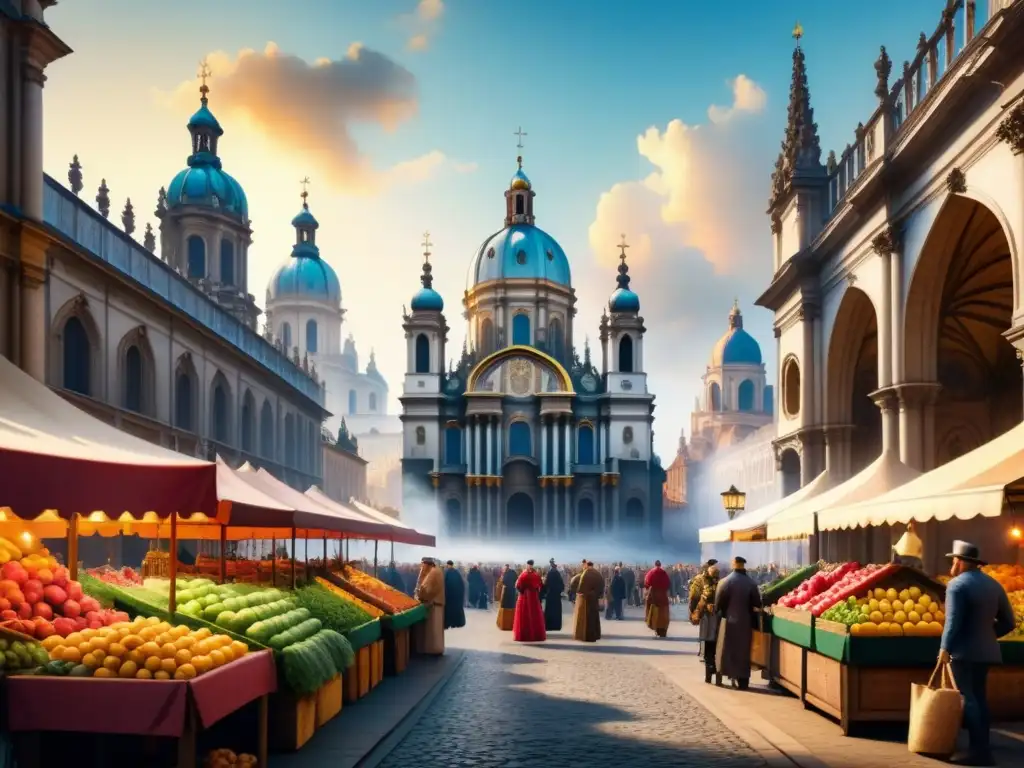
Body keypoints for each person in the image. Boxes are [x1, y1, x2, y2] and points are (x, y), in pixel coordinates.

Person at [939, 540, 1015, 766]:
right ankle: (982, 746)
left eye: (953, 560)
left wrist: (945, 648)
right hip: (987, 651)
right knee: (979, 698)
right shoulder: (994, 584)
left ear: (961, 562)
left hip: (964, 652)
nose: (952, 564)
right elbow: (1008, 621)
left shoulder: (956, 585)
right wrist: (987, 635)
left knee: (969, 699)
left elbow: (952, 622)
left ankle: (978, 752)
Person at [714, 556, 762, 690]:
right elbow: (757, 603)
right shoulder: (751, 583)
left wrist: (723, 613)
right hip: (745, 623)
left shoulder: (725, 582)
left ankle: (729, 674)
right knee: (743, 651)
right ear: (743, 566)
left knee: (728, 650)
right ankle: (743, 681)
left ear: (733, 565)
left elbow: (718, 605)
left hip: (729, 622)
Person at [689, 560, 721, 684]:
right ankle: (715, 671)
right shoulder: (721, 583)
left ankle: (709, 672)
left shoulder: (699, 580)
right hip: (718, 617)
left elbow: (693, 597)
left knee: (708, 643)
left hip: (707, 616)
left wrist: (693, 613)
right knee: (716, 645)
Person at [413, 557, 445, 655]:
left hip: (433, 605)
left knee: (432, 630)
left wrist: (419, 594)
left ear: (427, 564)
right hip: (438, 604)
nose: (421, 567)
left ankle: (431, 650)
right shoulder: (437, 571)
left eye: (423, 564)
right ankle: (436, 648)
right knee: (437, 630)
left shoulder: (432, 574)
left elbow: (427, 590)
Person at [570, 560, 604, 642]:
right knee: (594, 618)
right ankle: (595, 635)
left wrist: (579, 593)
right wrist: (597, 595)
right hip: (594, 599)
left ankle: (587, 636)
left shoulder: (585, 573)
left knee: (587, 619)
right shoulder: (598, 574)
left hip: (586, 599)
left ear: (587, 565)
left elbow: (581, 588)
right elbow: (602, 586)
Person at [512, 560, 546, 642]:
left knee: (524, 615)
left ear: (527, 565)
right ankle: (536, 635)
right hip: (534, 597)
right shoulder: (536, 575)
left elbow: (517, 585)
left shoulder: (523, 575)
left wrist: (522, 591)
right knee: (534, 615)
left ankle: (524, 634)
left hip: (524, 597)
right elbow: (541, 585)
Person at [644, 560, 672, 638]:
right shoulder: (664, 573)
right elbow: (668, 583)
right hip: (663, 596)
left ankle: (655, 627)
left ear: (655, 564)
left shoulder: (651, 572)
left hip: (654, 595)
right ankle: (662, 630)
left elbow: (647, 583)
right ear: (660, 565)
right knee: (663, 614)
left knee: (654, 612)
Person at [443, 561, 466, 629]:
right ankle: (456, 623)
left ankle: (450, 623)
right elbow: (461, 584)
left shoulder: (447, 573)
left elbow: (445, 583)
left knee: (449, 610)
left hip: (449, 595)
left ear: (448, 565)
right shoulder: (457, 573)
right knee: (456, 609)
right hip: (456, 595)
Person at [496, 564, 518, 631]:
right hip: (512, 592)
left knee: (504, 608)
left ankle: (504, 625)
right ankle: (511, 625)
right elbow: (516, 581)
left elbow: (503, 582)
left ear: (506, 568)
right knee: (512, 608)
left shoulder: (505, 574)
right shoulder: (514, 573)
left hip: (506, 592)